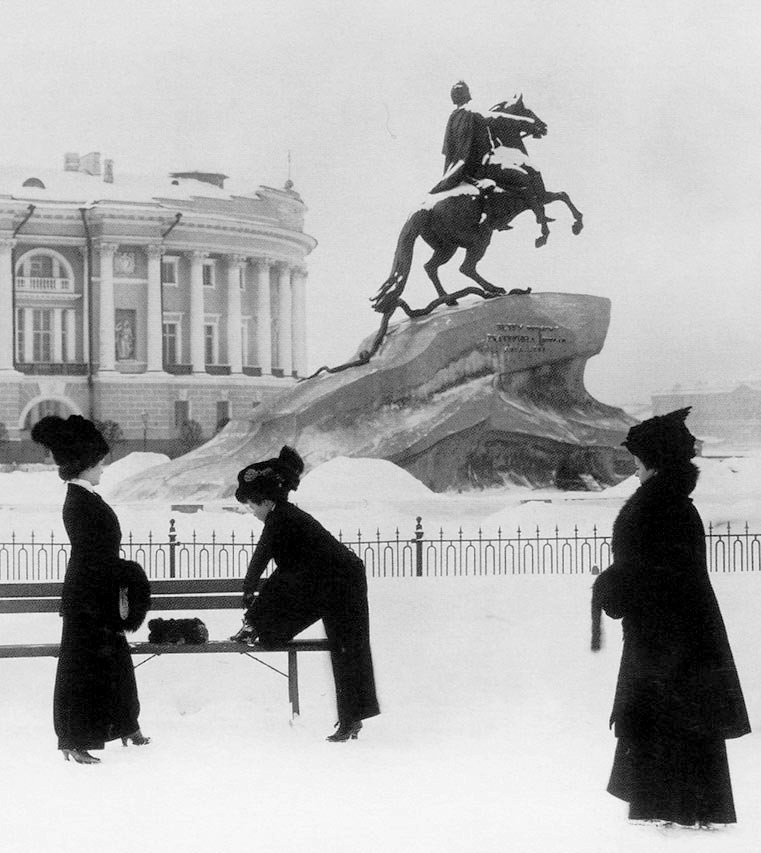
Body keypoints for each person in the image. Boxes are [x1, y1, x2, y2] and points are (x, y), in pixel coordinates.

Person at [591, 408, 750, 828]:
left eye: (639, 463)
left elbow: (651, 578)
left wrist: (611, 586)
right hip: (685, 643)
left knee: (666, 725)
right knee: (687, 727)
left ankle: (672, 817)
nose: (635, 472)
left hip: (663, 646)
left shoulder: (655, 508)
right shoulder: (676, 506)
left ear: (655, 463)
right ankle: (687, 813)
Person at [230, 446, 380, 741]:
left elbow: (263, 557)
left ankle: (351, 720)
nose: (252, 512)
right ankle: (351, 719)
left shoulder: (281, 518)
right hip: (332, 581)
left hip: (342, 582)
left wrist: (250, 594)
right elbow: (283, 571)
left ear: (265, 501)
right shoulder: (282, 516)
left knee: (348, 650)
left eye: (251, 506)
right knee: (347, 650)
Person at [32, 415, 151, 764]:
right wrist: (127, 574)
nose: (103, 467)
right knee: (80, 668)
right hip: (89, 597)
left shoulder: (84, 497)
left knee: (115, 663)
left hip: (94, 593)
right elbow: (94, 555)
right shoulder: (81, 501)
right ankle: (72, 738)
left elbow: (98, 554)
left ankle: (126, 725)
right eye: (99, 462)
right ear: (85, 463)